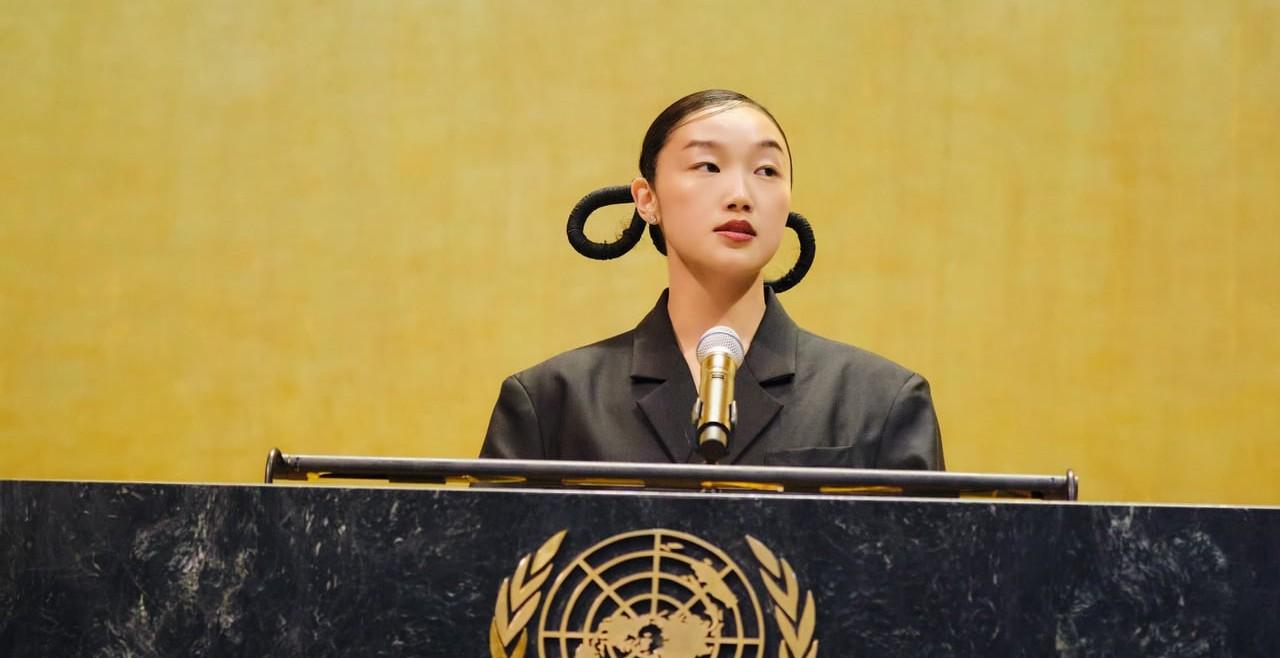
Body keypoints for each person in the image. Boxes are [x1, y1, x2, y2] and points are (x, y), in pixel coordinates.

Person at [480, 90, 943, 469]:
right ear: (647, 199)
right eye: (708, 166)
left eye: (766, 171)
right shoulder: (554, 401)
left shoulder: (881, 402)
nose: (740, 195)